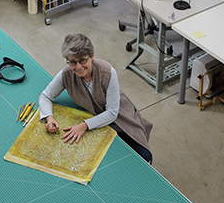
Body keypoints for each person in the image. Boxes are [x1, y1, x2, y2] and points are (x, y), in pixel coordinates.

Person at [39, 33, 153, 163]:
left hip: (121, 122)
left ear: (92, 56)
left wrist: (83, 126)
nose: (78, 67)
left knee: (143, 157)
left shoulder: (107, 72)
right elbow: (45, 96)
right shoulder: (67, 74)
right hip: (96, 123)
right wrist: (49, 118)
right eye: (72, 62)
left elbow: (112, 113)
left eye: (83, 60)